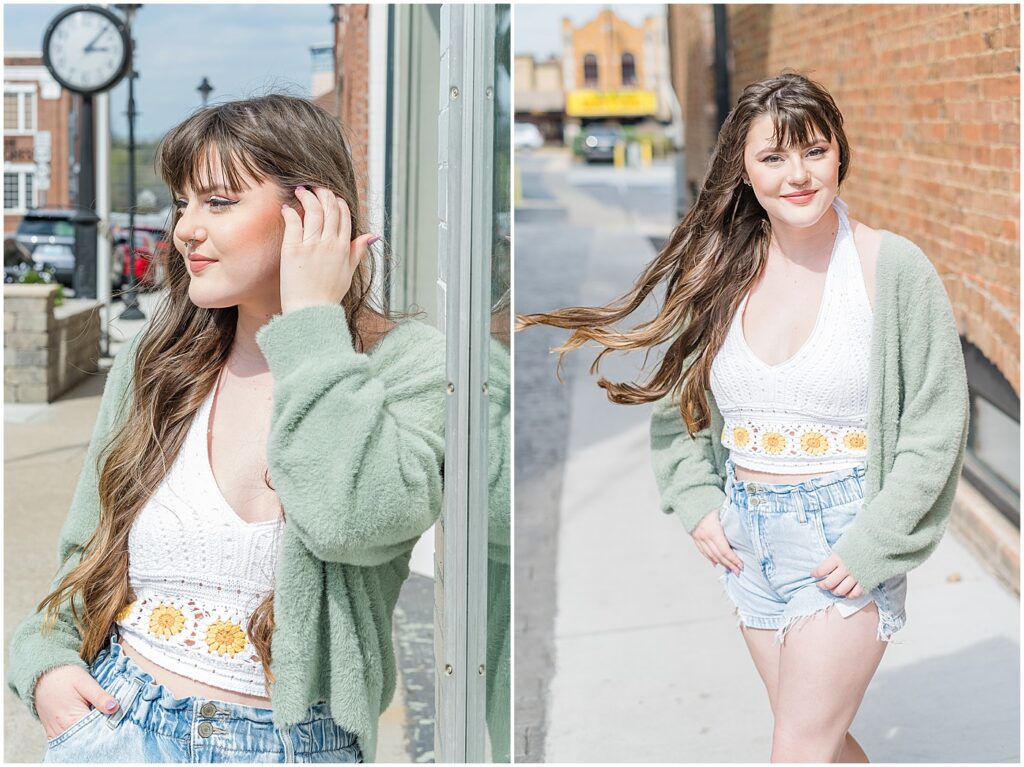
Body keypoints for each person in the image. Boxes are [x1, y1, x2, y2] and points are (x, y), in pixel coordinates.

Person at [517, 71, 969, 762]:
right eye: (774, 157)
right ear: (745, 170)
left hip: (843, 539)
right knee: (821, 740)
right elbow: (681, 407)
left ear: (840, 154)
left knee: (796, 747)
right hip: (749, 540)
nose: (798, 175)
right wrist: (698, 498)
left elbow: (935, 422)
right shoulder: (722, 269)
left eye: (814, 151)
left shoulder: (890, 268)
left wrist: (874, 539)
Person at [7, 93, 446, 763]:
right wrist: (46, 666)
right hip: (118, 722)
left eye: (217, 202)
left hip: (292, 744)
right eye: (181, 203)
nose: (184, 228)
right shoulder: (158, 359)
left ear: (311, 211)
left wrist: (311, 325)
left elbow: (350, 521)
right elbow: (88, 541)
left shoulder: (405, 365)